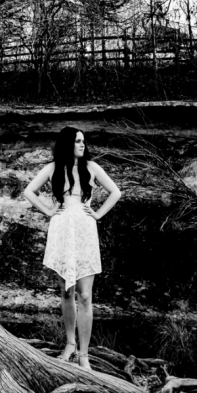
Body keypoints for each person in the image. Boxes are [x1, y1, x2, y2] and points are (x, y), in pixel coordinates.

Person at [23, 126, 121, 370]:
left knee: (85, 295)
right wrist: (48, 210)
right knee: (67, 292)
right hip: (62, 229)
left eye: (83, 141)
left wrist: (97, 214)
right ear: (67, 143)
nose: (82, 145)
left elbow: (115, 192)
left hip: (85, 230)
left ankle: (84, 356)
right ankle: (69, 344)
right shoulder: (53, 168)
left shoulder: (92, 167)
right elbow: (29, 191)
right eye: (78, 141)